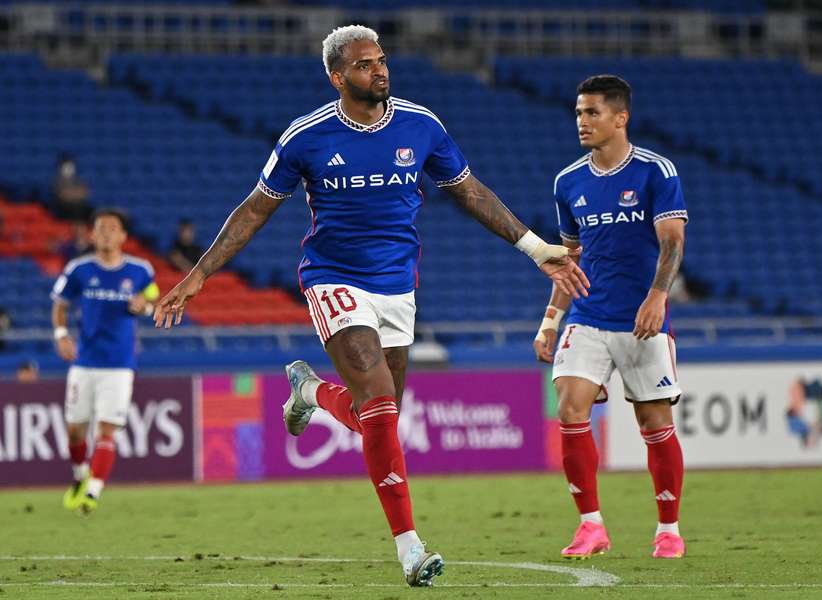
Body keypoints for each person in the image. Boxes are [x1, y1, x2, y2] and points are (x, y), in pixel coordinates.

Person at [153, 25, 589, 587]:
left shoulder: (421, 124)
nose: (379, 70)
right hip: (333, 278)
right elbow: (256, 209)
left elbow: (469, 190)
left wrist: (534, 249)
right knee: (380, 400)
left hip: (397, 286)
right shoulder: (305, 137)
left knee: (373, 418)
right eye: (364, 65)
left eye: (381, 61)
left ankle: (308, 390)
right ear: (337, 76)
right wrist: (200, 274)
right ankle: (411, 548)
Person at [533, 75, 688, 560]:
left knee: (653, 422)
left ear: (620, 118)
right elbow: (569, 259)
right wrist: (551, 320)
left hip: (642, 320)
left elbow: (672, 240)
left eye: (592, 112)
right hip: (589, 316)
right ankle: (591, 526)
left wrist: (658, 297)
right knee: (570, 406)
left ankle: (668, 529)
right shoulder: (568, 181)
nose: (582, 121)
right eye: (579, 112)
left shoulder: (655, 172)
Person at [51, 208, 159, 514]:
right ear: (92, 235)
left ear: (124, 236)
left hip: (120, 365)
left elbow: (154, 300)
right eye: (101, 228)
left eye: (113, 228)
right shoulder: (79, 270)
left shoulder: (140, 270)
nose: (107, 233)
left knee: (107, 429)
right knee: (75, 430)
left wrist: (146, 306)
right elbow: (60, 303)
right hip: (84, 362)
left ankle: (93, 493)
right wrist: (61, 334)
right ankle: (79, 477)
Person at [52, 153, 92, 222]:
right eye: (66, 165)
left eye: (70, 165)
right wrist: (75, 193)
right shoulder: (57, 181)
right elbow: (63, 196)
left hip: (79, 206)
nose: (68, 168)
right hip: (63, 209)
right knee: (75, 209)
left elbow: (85, 193)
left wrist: (71, 194)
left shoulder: (78, 180)